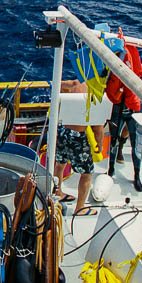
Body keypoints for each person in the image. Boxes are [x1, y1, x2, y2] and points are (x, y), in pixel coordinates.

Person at [54, 79, 99, 216]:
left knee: (60, 164)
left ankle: (58, 192)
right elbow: (98, 128)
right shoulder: (94, 93)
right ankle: (80, 208)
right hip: (77, 137)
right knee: (86, 174)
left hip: (62, 131)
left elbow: (58, 85)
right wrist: (99, 145)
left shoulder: (75, 83)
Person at [105, 41, 142, 191]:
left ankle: (137, 175)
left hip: (134, 111)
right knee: (113, 142)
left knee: (136, 145)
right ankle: (111, 169)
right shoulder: (113, 70)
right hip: (118, 109)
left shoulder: (141, 70)